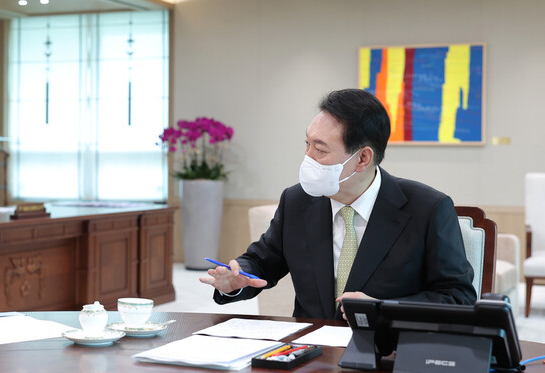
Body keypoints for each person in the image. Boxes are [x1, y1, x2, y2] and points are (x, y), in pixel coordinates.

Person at [201, 88, 477, 320]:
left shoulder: (427, 209)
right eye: (307, 144)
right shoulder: (297, 201)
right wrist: (235, 281)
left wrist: (386, 310)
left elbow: (457, 296)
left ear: (362, 159)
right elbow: (262, 262)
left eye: (320, 150)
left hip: (389, 354)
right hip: (310, 354)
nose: (307, 158)